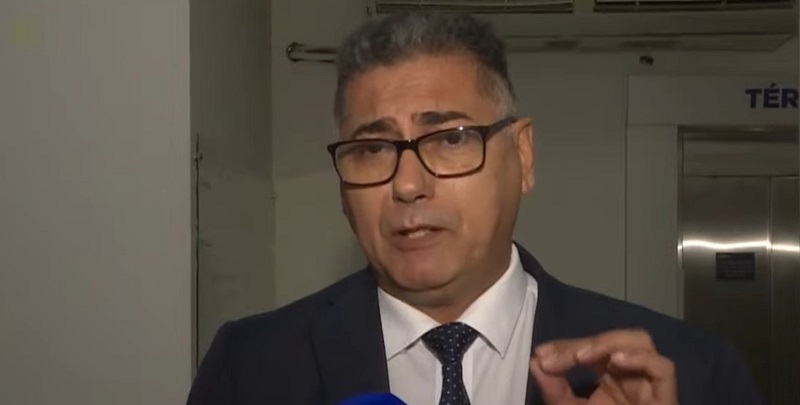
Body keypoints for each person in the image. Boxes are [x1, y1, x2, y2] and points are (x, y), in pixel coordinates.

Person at [187, 12, 762, 405]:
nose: (407, 185)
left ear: (523, 156)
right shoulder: (250, 367)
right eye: (371, 149)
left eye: (451, 139)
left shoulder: (694, 374)